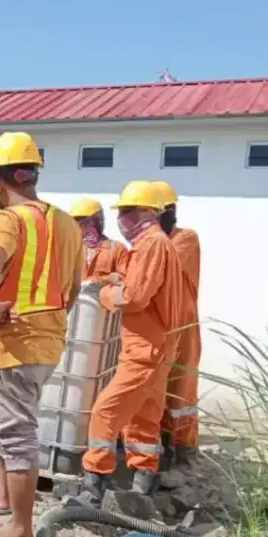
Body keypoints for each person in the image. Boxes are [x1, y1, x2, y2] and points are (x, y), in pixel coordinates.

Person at [0, 132, 83, 537]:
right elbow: (72, 290)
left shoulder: (10, 218)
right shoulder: (68, 222)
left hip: (12, 345)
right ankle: (2, 493)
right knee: (16, 424)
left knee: (16, 435)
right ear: (32, 173)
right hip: (48, 342)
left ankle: (19, 532)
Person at [79, 180, 184, 505]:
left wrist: (107, 294)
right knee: (143, 418)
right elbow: (142, 286)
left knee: (105, 413)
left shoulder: (151, 244)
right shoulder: (154, 244)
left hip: (145, 347)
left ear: (146, 212)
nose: (121, 219)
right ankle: (143, 491)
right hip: (156, 344)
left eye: (126, 211)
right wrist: (115, 281)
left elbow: (135, 297)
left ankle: (92, 489)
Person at [153, 180, 202, 464]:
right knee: (158, 387)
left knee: (181, 388)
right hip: (161, 326)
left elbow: (161, 264)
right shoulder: (153, 242)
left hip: (183, 329)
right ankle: (160, 442)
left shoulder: (186, 239)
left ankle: (183, 447)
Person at [69, 197, 128, 281]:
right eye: (77, 220)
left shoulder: (117, 249)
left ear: (98, 221)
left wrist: (99, 281)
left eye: (85, 220)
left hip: (102, 293)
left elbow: (126, 281)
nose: (81, 225)